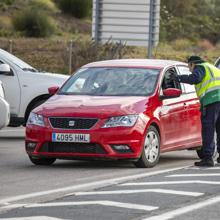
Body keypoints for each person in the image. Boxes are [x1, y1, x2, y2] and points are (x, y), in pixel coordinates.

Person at [173, 56, 220, 167]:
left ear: (192, 64)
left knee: (208, 129)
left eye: (189, 67)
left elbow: (195, 78)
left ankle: (208, 158)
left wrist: (178, 78)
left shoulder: (200, 67)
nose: (190, 69)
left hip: (211, 100)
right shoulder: (212, 68)